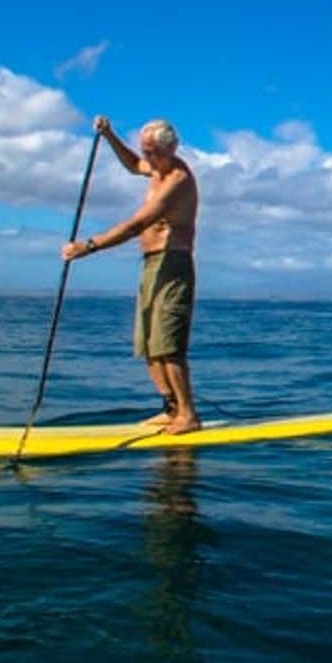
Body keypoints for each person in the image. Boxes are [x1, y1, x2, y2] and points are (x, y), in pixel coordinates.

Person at [62, 116, 201, 434]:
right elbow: (132, 164)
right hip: (150, 264)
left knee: (168, 344)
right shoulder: (154, 167)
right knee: (148, 344)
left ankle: (189, 415)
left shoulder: (177, 179)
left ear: (172, 148)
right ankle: (171, 408)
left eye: (153, 152)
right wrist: (109, 135)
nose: (148, 158)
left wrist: (89, 246)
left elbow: (137, 224)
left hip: (173, 264)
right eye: (146, 151)